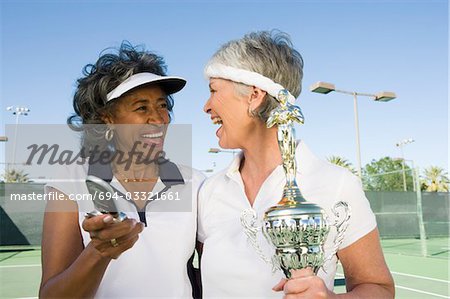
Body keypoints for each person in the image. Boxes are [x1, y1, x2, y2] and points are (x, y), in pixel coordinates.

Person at [198, 31, 395, 298]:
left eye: (213, 91)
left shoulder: (336, 183)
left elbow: (379, 288)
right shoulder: (209, 190)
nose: (206, 106)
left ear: (254, 95)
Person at [39, 42, 204, 298]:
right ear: (107, 119)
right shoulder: (71, 179)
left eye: (162, 106)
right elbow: (52, 295)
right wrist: (100, 251)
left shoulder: (196, 182)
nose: (159, 119)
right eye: (142, 108)